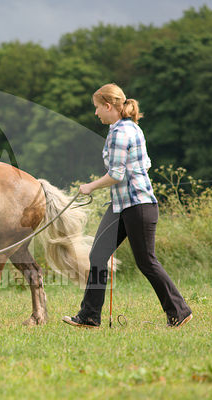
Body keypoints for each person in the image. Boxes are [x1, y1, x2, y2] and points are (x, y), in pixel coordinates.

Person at [62, 83, 193, 329]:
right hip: (121, 205)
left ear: (108, 105)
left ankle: (179, 310)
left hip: (138, 206)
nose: (96, 113)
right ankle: (89, 316)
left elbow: (117, 174)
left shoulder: (120, 132)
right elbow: (145, 165)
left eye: (97, 107)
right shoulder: (128, 128)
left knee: (146, 261)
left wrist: (90, 186)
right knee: (99, 255)